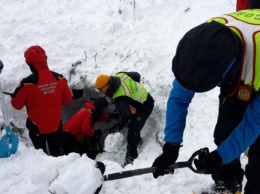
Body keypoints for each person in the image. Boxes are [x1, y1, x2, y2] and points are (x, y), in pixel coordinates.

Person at [152, 9, 260, 194]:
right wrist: (172, 145)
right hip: (245, 63)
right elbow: (180, 96)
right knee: (225, 133)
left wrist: (220, 157)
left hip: (254, 62)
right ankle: (229, 182)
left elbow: (255, 120)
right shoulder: (204, 42)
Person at [11, 45, 72, 157]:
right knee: (57, 153)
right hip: (56, 124)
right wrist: (54, 103)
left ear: (29, 64)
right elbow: (68, 98)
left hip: (36, 126)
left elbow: (16, 105)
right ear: (45, 59)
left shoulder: (27, 83)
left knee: (40, 155)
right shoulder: (59, 78)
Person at [95, 72, 154, 166]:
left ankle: (131, 158)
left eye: (101, 89)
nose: (100, 92)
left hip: (145, 107)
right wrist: (134, 92)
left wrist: (119, 126)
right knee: (134, 123)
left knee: (132, 133)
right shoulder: (120, 75)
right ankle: (138, 141)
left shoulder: (119, 97)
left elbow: (125, 116)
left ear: (107, 85)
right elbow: (136, 75)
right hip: (144, 97)